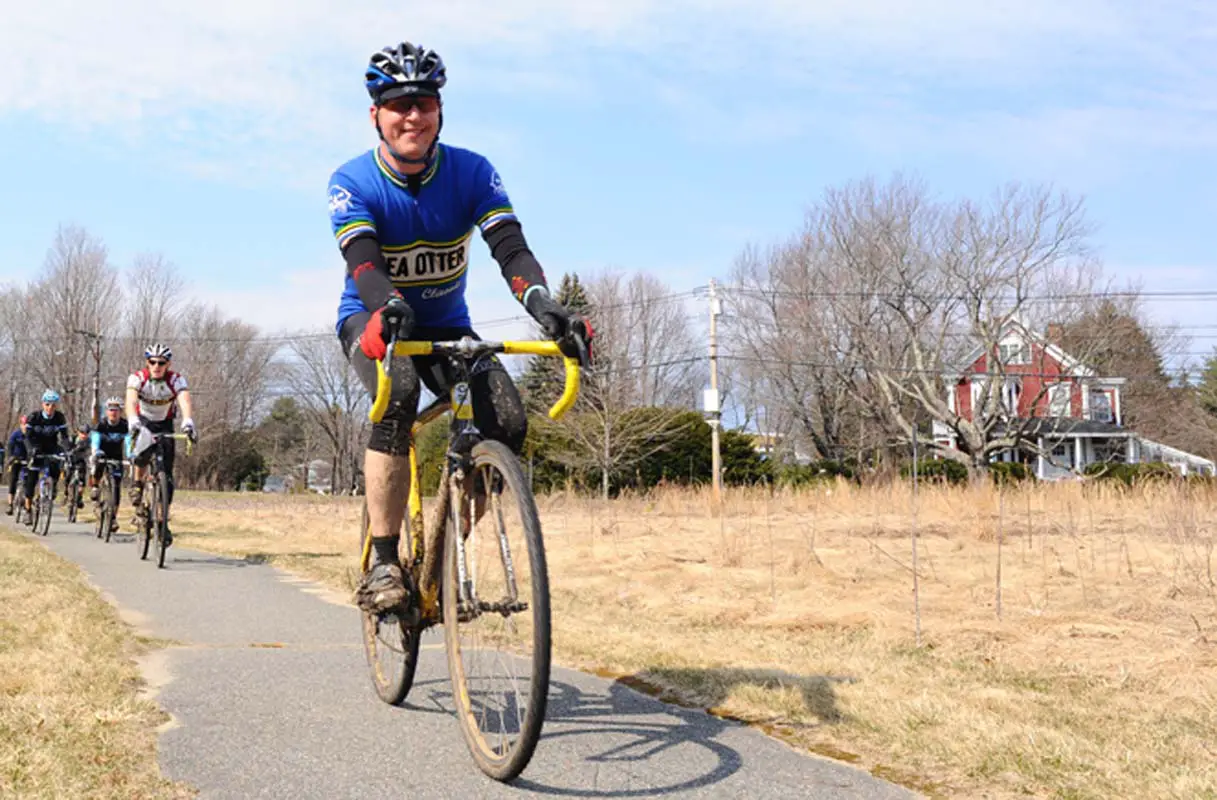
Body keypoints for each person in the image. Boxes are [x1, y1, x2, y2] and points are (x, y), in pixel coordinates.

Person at [329, 42, 592, 612]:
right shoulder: (352, 181)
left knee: (508, 421)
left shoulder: (473, 172)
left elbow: (511, 250)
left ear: (440, 112)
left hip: (448, 325)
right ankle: (381, 561)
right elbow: (365, 263)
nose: (412, 116)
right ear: (375, 114)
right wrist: (386, 305)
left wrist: (548, 308)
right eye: (398, 104)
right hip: (373, 320)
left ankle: (443, 556)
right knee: (396, 396)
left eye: (424, 103)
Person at [125, 344, 197, 544]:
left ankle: (161, 521)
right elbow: (130, 401)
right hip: (143, 421)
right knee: (141, 456)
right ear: (147, 362)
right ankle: (137, 484)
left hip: (165, 423)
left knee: (167, 477)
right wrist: (132, 419)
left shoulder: (175, 379)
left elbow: (185, 401)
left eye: (161, 363)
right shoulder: (138, 378)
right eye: (152, 362)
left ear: (168, 364)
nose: (156, 366)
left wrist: (188, 421)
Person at [22, 391, 69, 520]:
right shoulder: (34, 417)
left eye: (53, 405)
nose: (50, 408)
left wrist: (66, 451)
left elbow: (64, 437)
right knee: (31, 480)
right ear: (43, 404)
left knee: (57, 465)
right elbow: (27, 437)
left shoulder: (59, 417)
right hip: (35, 446)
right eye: (47, 404)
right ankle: (27, 509)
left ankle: (51, 488)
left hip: (52, 446)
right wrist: (31, 450)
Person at [89, 397, 130, 533]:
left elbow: (129, 442)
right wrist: (95, 452)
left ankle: (112, 518)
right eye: (111, 410)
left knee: (116, 489)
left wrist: (130, 456)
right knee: (98, 466)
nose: (113, 413)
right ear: (107, 412)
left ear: (120, 412)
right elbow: (95, 440)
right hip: (102, 453)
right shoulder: (101, 424)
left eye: (116, 410)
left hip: (117, 456)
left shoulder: (125, 425)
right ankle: (95, 486)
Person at [64, 423, 91, 510]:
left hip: (81, 462)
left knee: (82, 481)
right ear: (78, 432)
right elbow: (66, 447)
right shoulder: (72, 439)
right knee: (67, 477)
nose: (84, 435)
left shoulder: (89, 441)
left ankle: (79, 498)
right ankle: (67, 494)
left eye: (86, 433)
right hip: (71, 460)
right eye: (82, 433)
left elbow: (90, 452)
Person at [5, 416, 28, 515]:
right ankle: (10, 505)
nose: (25, 427)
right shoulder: (16, 434)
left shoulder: (31, 435)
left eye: (27, 425)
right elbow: (10, 445)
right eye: (24, 425)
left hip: (27, 459)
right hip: (16, 459)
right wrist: (11, 456)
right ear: (21, 425)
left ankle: (26, 501)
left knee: (28, 480)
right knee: (13, 481)